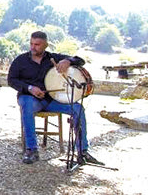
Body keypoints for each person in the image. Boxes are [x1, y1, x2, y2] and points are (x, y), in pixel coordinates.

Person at [8, 31, 102, 165]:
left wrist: (67, 61)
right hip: (30, 98)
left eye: (37, 44)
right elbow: (11, 80)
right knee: (27, 105)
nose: (33, 47)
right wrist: (30, 88)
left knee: (78, 109)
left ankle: (82, 151)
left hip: (51, 100)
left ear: (45, 45)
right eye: (31, 44)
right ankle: (32, 150)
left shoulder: (53, 58)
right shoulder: (21, 60)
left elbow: (80, 61)